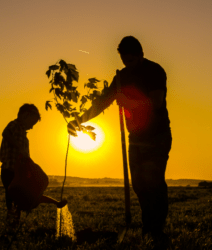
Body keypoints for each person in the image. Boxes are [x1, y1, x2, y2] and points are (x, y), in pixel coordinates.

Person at [68, 36, 172, 241]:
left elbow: (156, 103)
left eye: (131, 60)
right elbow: (102, 102)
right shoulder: (121, 77)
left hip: (157, 136)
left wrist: (129, 102)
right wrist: (79, 120)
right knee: (139, 185)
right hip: (135, 138)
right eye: (124, 61)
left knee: (154, 182)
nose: (127, 65)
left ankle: (156, 231)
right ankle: (148, 227)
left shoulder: (154, 71)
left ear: (141, 55)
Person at [0, 103, 67, 228]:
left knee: (28, 193)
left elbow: (25, 155)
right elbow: (5, 133)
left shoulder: (24, 135)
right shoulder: (13, 125)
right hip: (9, 170)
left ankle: (55, 203)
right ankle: (11, 225)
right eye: (32, 123)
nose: (31, 127)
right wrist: (19, 147)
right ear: (25, 115)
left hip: (19, 170)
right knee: (15, 198)